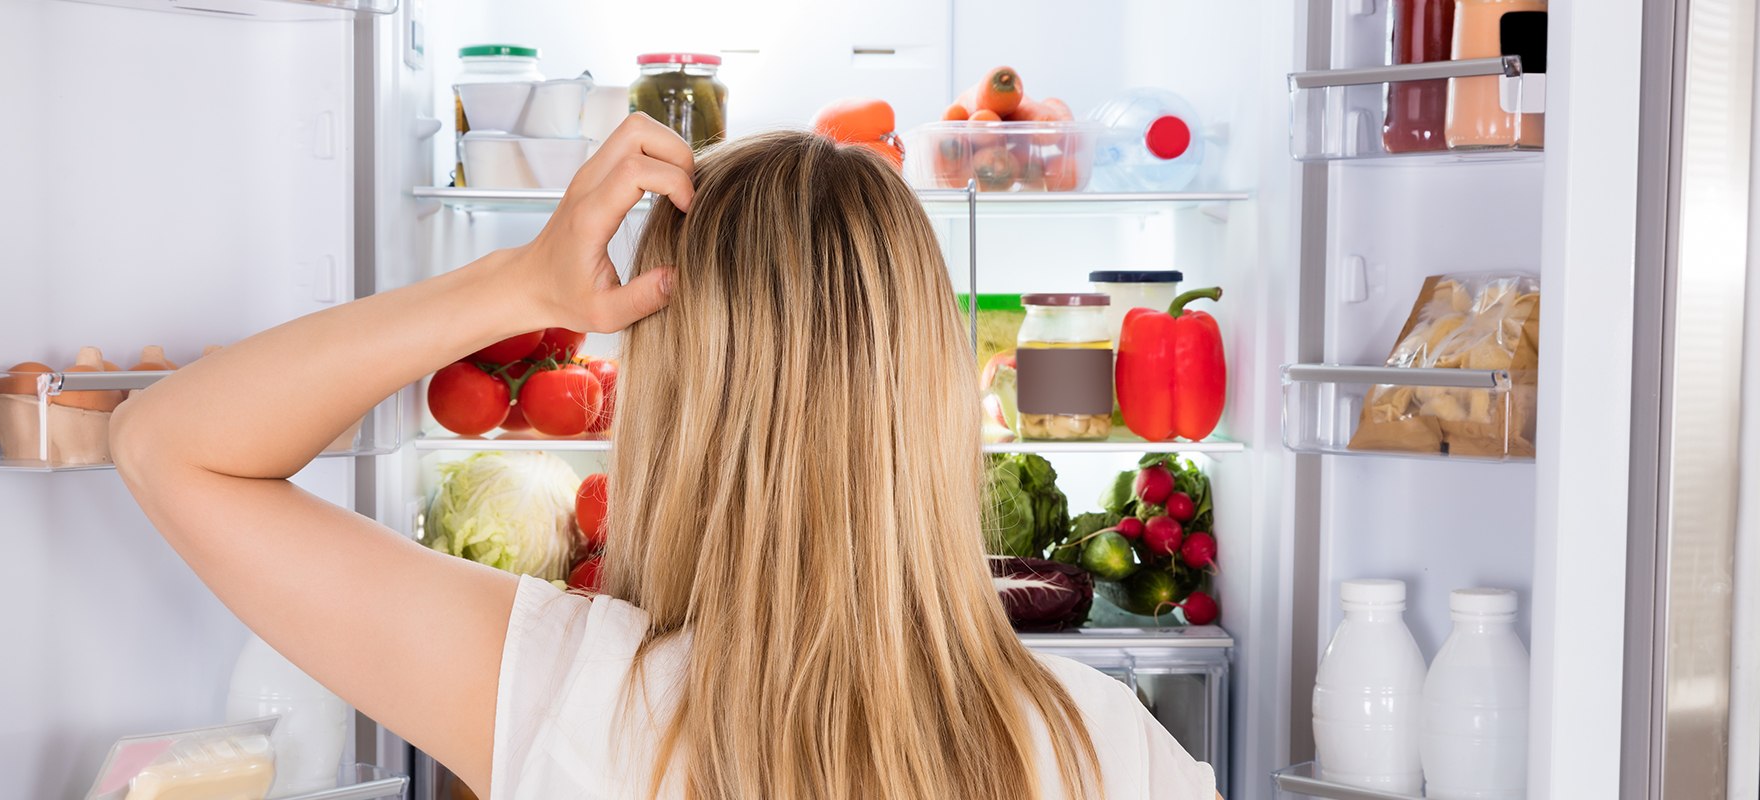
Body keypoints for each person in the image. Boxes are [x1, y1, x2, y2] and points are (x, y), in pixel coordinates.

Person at [112, 114, 1221, 800]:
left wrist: (525, 281)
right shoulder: (1110, 750)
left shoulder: (567, 688)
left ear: (671, 401)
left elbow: (167, 443)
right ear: (929, 400)